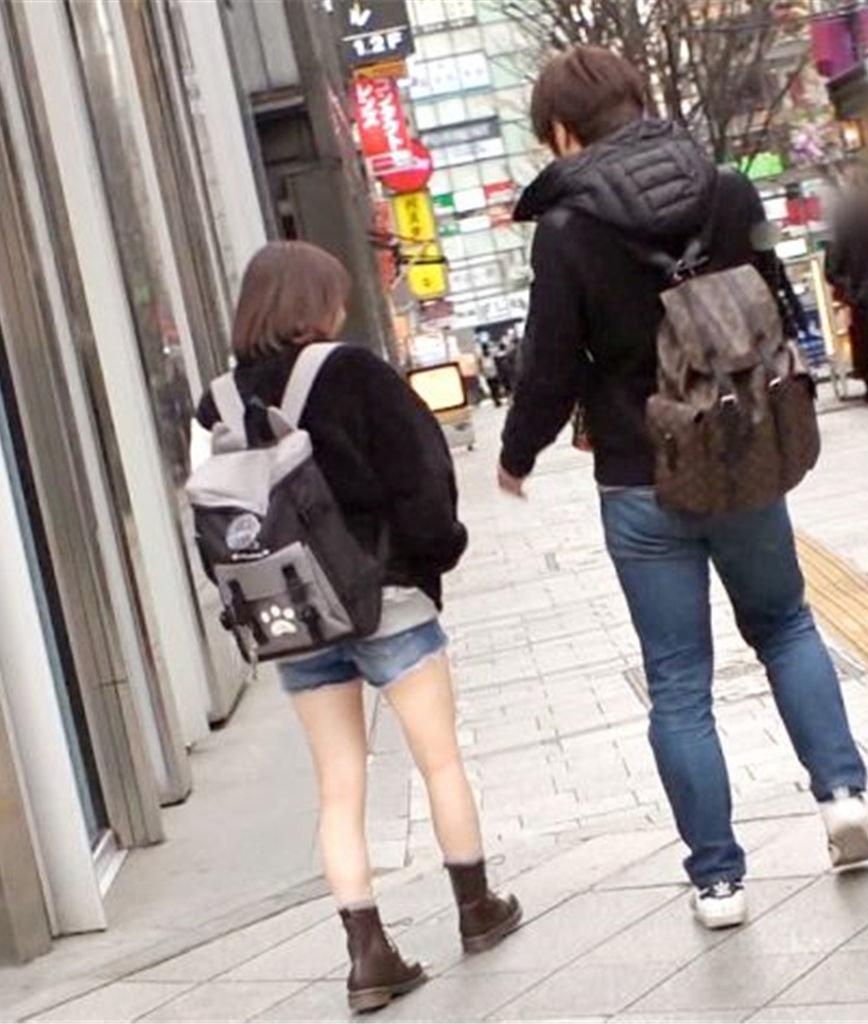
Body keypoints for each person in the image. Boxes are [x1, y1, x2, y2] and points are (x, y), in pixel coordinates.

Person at [498, 46, 868, 932]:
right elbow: (778, 303)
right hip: (742, 451)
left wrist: (517, 454)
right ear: (639, 101)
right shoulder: (726, 189)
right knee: (785, 625)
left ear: (561, 132)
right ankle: (843, 795)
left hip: (639, 473)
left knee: (678, 682)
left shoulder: (566, 229)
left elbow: (550, 361)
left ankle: (719, 881)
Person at [195, 242, 520, 1013]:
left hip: (293, 615)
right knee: (438, 760)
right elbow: (420, 478)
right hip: (385, 596)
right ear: (319, 303)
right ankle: (476, 906)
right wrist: (438, 552)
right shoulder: (355, 371)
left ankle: (367, 953)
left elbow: (211, 516)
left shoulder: (216, 402)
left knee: (338, 784)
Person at [825, 169, 868, 402]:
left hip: (863, 294)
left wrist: (850, 288)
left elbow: (833, 267)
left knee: (867, 341)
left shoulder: (845, 225)